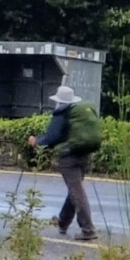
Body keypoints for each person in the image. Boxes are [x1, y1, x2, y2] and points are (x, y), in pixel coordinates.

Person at [28, 84, 102, 241]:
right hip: (84, 154)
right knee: (74, 189)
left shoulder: (62, 113)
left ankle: (88, 229)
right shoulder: (78, 114)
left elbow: (52, 137)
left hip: (69, 157)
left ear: (59, 100)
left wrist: (36, 142)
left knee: (76, 191)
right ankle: (63, 222)